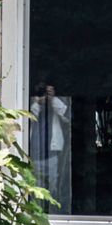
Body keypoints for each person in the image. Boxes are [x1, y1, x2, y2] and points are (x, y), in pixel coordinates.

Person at [29, 75, 72, 212]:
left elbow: (68, 117)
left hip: (52, 154)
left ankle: (55, 218)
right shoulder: (28, 101)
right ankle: (36, 219)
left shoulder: (58, 100)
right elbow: (25, 120)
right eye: (40, 88)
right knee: (35, 191)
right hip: (33, 154)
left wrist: (53, 100)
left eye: (45, 88)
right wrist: (37, 103)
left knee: (53, 191)